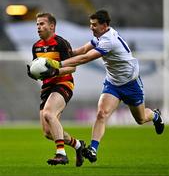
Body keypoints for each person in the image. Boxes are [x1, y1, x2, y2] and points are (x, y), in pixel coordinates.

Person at [49, 9, 165, 163]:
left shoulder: (109, 41)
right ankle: (93, 149)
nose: (91, 27)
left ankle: (156, 116)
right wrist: (64, 53)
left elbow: (85, 58)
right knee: (101, 113)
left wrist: (57, 64)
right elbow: (82, 51)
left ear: (104, 25)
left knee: (141, 119)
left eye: (94, 25)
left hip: (131, 84)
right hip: (113, 83)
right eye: (90, 24)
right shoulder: (99, 37)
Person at [27, 12, 85, 166]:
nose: (38, 27)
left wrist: (55, 71)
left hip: (63, 84)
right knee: (47, 132)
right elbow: (37, 68)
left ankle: (61, 153)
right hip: (47, 87)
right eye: (37, 24)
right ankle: (78, 145)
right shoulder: (36, 46)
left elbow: (72, 67)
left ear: (51, 26)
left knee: (49, 113)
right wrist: (33, 72)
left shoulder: (61, 43)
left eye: (42, 24)